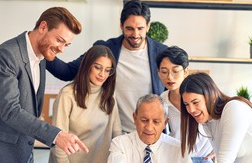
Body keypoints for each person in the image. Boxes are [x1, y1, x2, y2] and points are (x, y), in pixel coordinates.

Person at [0, 7, 88, 163]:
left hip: (23, 151)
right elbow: (11, 111)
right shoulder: (6, 56)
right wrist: (57, 135)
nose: (61, 49)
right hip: (4, 153)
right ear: (43, 27)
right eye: (59, 40)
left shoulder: (41, 56)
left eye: (66, 44)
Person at [46, 0, 167, 133]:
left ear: (148, 26)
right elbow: (67, 72)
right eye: (129, 28)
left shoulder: (161, 53)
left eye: (140, 28)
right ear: (121, 26)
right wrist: (42, 51)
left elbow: (171, 93)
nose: (135, 34)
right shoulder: (106, 49)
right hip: (114, 133)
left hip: (151, 133)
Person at [48, 45, 122, 163]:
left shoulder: (108, 96)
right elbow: (58, 142)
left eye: (108, 70)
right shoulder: (67, 95)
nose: (102, 74)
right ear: (87, 66)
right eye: (98, 68)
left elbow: (117, 135)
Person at [156, 46, 214, 163]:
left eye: (176, 71)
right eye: (164, 71)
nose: (170, 76)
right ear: (158, 73)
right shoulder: (162, 100)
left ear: (186, 71)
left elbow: (222, 118)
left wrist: (218, 147)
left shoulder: (199, 94)